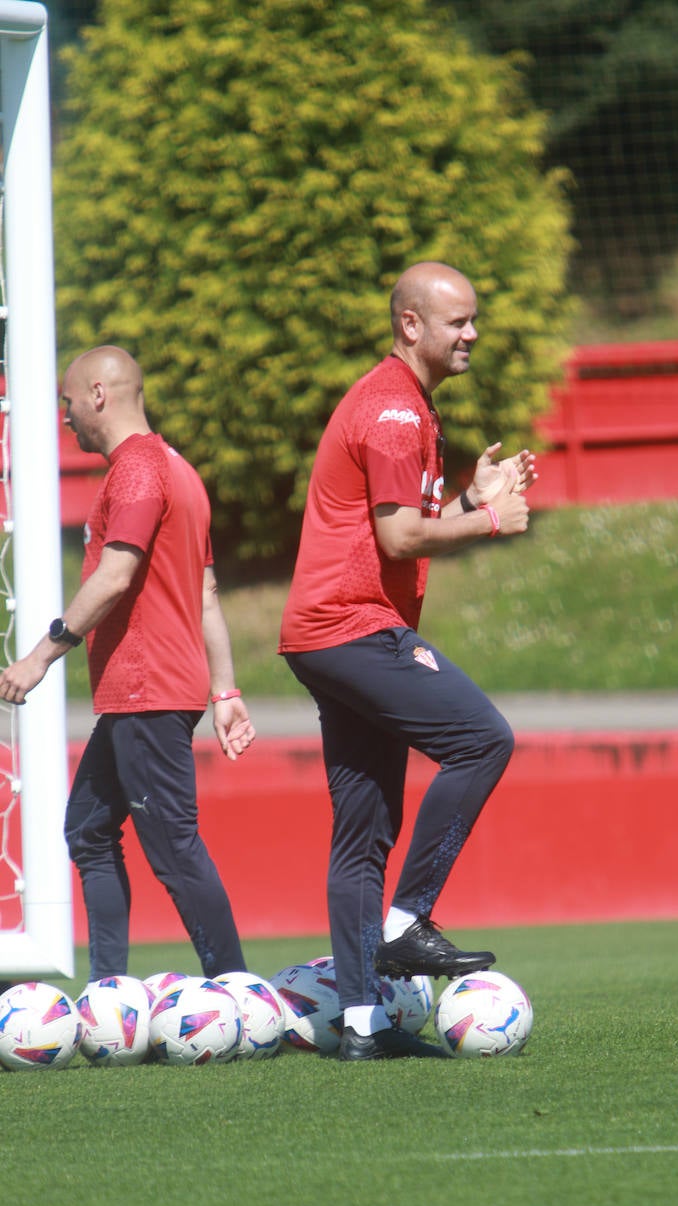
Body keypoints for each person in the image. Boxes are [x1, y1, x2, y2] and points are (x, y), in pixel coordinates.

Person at [280, 261, 538, 1061]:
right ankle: (406, 921)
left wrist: (464, 500)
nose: (472, 334)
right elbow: (397, 539)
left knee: (363, 830)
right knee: (482, 739)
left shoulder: (401, 405)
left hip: (326, 634)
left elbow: (398, 527)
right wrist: (491, 520)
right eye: (457, 321)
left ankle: (362, 1026)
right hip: (352, 628)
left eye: (473, 319)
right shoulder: (394, 409)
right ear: (410, 326)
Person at [0, 346, 255, 981]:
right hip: (143, 692)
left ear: (97, 395)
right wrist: (224, 692)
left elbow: (115, 576)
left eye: (68, 402)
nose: (65, 418)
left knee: (172, 847)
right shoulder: (178, 469)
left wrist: (39, 657)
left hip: (149, 688)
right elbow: (207, 594)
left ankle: (236, 989)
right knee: (88, 830)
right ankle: (108, 989)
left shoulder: (137, 470)